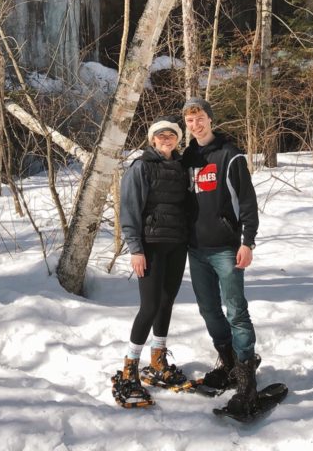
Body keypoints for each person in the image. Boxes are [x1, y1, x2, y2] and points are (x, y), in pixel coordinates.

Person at [181, 96, 260, 415]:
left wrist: (247, 242)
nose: (195, 124)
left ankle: (246, 381)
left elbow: (247, 202)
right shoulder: (188, 156)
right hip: (196, 250)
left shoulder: (230, 154)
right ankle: (228, 362)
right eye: (189, 120)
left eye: (200, 118)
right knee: (209, 310)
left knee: (236, 311)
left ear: (210, 120)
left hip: (227, 248)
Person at [111, 116, 192, 408]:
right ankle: (129, 368)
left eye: (171, 135)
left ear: (177, 139)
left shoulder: (183, 167)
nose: (166, 139)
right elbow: (129, 209)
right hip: (151, 246)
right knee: (150, 305)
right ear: (152, 140)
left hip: (177, 244)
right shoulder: (141, 167)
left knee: (167, 300)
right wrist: (135, 249)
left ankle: (158, 359)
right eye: (160, 135)